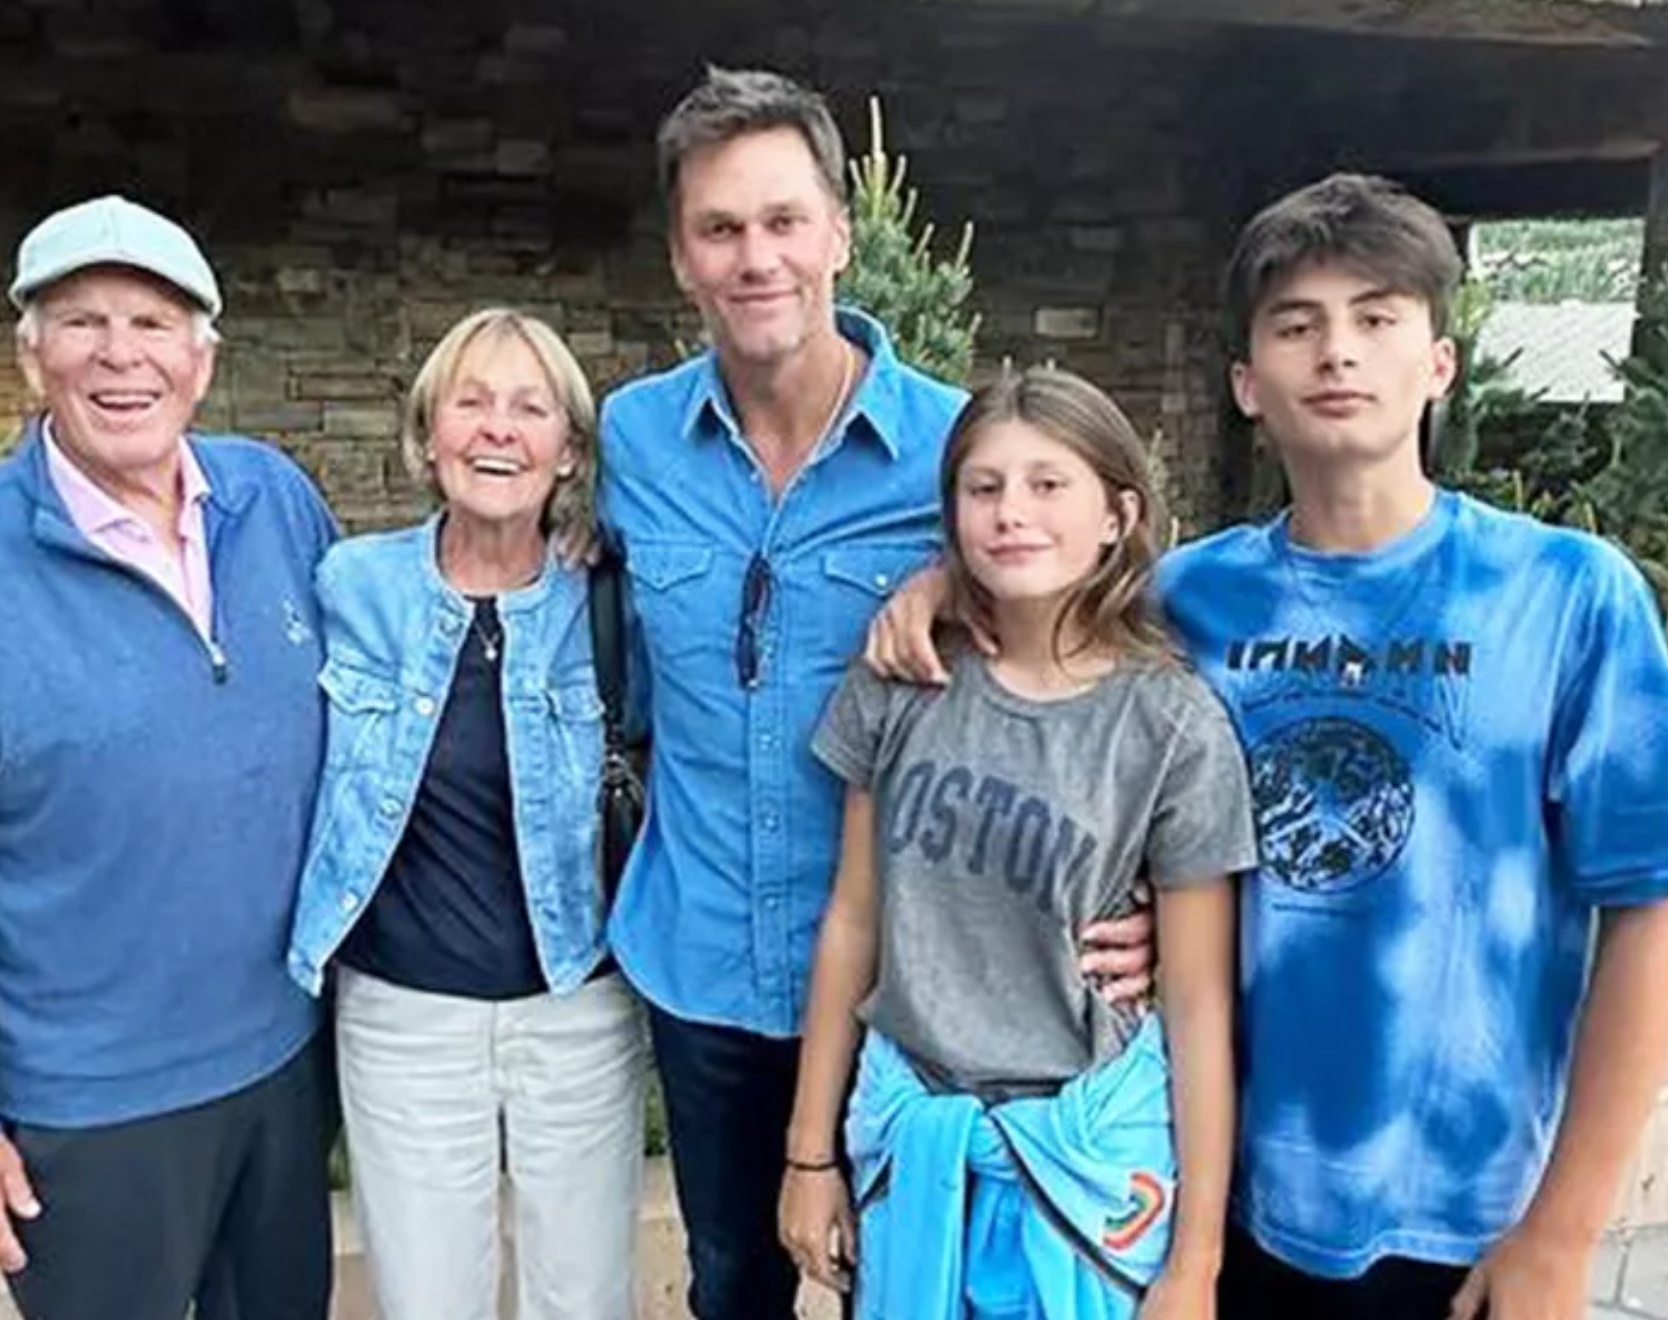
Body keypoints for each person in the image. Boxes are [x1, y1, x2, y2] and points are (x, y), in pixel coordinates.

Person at [863, 173, 1668, 1320]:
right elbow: (1037, 618)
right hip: (1219, 1193)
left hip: (1468, 1210)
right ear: (1246, 384)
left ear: (1439, 362)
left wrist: (1563, 1231)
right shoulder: (1193, 600)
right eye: (1297, 325)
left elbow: (1656, 919)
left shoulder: (1566, 597)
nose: (1339, 353)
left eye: (1377, 318)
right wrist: (941, 583)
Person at [596, 67, 1156, 1320]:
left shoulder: (968, 458)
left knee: (913, 1287)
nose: (758, 259)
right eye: (721, 229)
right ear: (681, 256)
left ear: (842, 232)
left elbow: (1109, 659)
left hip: (921, 994)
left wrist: (1156, 901)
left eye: (785, 221)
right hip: (701, 963)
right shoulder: (627, 442)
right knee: (732, 1280)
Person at [0, 195, 337, 1320]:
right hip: (85, 1111)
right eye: (82, 322)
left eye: (155, 323)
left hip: (280, 1068)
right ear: (32, 358)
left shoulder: (276, 504)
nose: (122, 356)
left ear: (203, 359)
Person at [777, 367, 1254, 1320]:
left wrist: (1194, 1264)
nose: (1011, 513)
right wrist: (808, 1154)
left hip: (1085, 1169)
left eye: (1048, 484)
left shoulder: (1170, 726)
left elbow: (1199, 1003)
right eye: (983, 487)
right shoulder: (900, 680)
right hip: (915, 1142)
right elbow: (854, 921)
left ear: (1117, 515)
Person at [286, 307, 645, 1320]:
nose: (499, 429)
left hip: (578, 999)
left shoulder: (613, 599)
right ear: (427, 434)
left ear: (568, 451)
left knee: (584, 1300)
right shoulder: (350, 586)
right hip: (403, 1012)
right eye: (471, 402)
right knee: (426, 1299)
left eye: (530, 408)